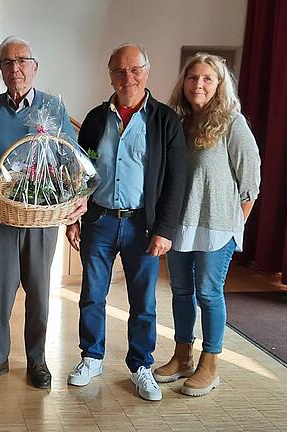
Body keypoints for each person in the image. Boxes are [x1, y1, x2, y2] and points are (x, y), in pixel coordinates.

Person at [65, 44, 186, 401]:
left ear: (147, 72)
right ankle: (91, 357)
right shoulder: (96, 118)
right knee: (92, 295)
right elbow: (79, 173)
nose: (127, 78)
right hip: (99, 221)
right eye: (119, 71)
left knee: (143, 301)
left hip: (143, 227)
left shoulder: (165, 121)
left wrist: (166, 229)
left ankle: (141, 365)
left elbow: (177, 180)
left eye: (134, 70)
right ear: (110, 75)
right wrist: (73, 218)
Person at [0, 36, 82, 389]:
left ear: (34, 66)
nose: (15, 68)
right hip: (0, 217)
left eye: (21, 61)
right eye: (7, 62)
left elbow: (69, 157)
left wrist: (74, 208)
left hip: (41, 216)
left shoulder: (54, 107)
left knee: (39, 289)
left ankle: (37, 360)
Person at [153, 53, 261, 396]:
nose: (198, 84)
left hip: (217, 229)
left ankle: (210, 364)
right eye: (192, 78)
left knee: (209, 293)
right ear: (183, 83)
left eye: (207, 79)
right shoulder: (178, 123)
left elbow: (251, 183)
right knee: (181, 292)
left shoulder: (233, 123)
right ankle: (182, 355)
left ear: (219, 84)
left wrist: (233, 226)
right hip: (181, 226)